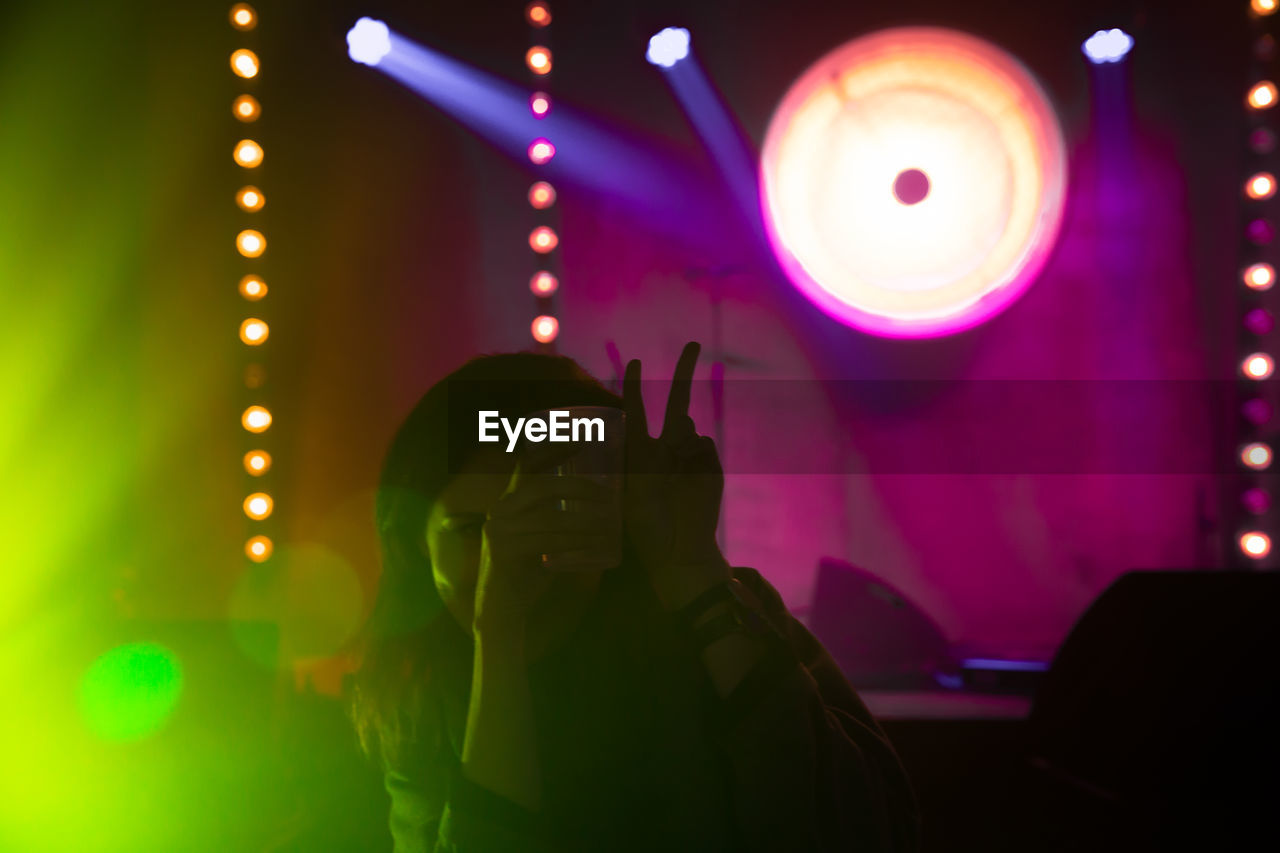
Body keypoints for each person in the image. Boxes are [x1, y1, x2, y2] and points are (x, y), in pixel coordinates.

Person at [349, 341, 921, 852]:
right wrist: (498, 644)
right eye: (478, 531)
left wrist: (693, 568)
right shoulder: (423, 681)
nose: (520, 556)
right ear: (413, 547)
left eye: (552, 513)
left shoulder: (719, 618)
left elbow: (869, 832)